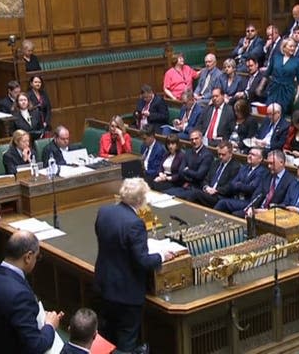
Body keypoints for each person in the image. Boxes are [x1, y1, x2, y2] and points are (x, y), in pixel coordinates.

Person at [94, 178, 174, 353]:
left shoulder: (104, 212)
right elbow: (142, 261)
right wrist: (161, 256)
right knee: (126, 341)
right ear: (140, 200)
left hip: (104, 284)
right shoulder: (135, 224)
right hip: (126, 293)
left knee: (106, 337)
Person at [0, 230, 64, 353]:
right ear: (28, 257)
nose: (36, 261)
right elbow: (35, 346)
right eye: (37, 257)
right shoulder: (20, 295)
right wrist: (50, 325)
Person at [179, 141, 240, 207]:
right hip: (208, 192)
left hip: (220, 196)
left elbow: (230, 186)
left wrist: (216, 190)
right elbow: (206, 178)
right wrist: (206, 187)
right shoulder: (215, 163)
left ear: (230, 154)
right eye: (219, 154)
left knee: (195, 194)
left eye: (223, 154)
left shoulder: (235, 167)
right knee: (189, 193)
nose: (221, 157)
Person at [213, 147, 268, 215]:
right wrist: (241, 185)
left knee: (222, 203)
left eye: (253, 155)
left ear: (260, 159)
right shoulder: (244, 167)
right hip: (236, 197)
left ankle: (210, 220)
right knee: (218, 198)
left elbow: (251, 188)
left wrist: (239, 185)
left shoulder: (262, 172)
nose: (249, 156)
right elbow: (233, 183)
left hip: (248, 201)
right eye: (249, 154)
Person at [242, 150, 294, 218]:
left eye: (272, 163)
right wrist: (252, 208)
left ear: (281, 162)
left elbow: (285, 204)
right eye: (268, 163)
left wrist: (267, 211)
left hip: (273, 215)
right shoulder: (266, 175)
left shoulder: (290, 180)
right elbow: (257, 194)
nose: (269, 166)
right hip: (257, 210)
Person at [259, 37, 299, 115]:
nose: (293, 48)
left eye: (294, 46)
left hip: (287, 90)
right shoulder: (276, 57)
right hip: (274, 88)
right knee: (269, 110)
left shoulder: (297, 61)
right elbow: (267, 73)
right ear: (284, 47)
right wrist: (261, 86)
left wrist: (297, 94)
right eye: (290, 46)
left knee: (280, 112)